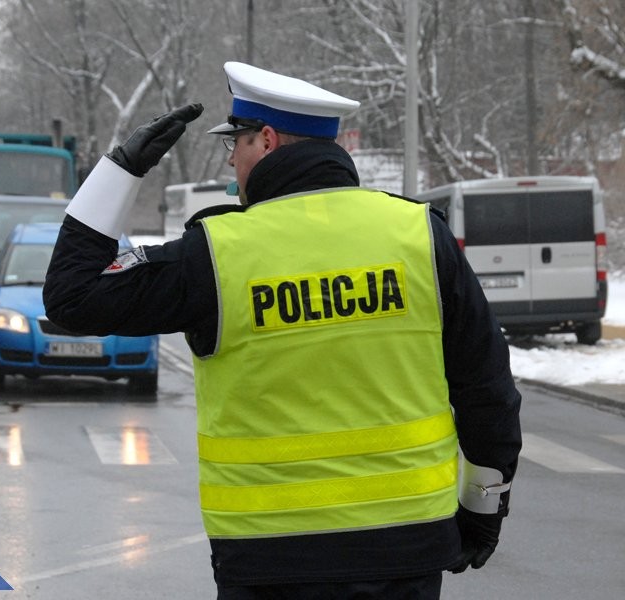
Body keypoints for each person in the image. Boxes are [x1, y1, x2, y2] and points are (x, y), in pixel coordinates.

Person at [44, 62, 522, 599]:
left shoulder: (217, 255)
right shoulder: (419, 236)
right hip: (406, 553)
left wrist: (120, 169)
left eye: (235, 146)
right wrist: (483, 511)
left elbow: (71, 297)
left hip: (269, 559)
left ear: (266, 141)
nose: (232, 161)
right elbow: (488, 392)